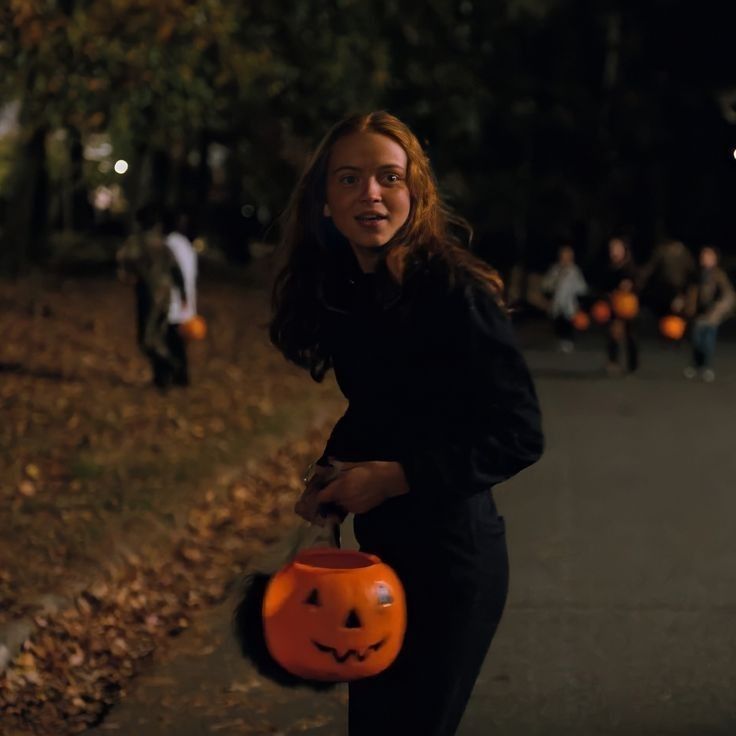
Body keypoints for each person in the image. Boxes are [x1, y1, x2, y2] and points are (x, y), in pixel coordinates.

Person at [269, 111, 544, 736]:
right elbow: (376, 408)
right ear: (324, 205)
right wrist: (331, 480)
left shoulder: (455, 292)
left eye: (388, 176)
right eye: (349, 178)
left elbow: (520, 431)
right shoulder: (354, 294)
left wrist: (393, 480)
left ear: (413, 194)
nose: (371, 192)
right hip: (380, 561)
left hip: (454, 562)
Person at [116, 204, 186, 390]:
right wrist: (183, 293)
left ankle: (172, 366)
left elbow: (124, 265)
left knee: (147, 340)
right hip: (165, 294)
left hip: (148, 294)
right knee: (159, 335)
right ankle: (162, 379)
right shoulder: (162, 242)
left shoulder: (136, 242)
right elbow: (175, 270)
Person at [683, 245, 734, 382]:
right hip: (698, 314)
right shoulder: (696, 274)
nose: (705, 259)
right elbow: (690, 291)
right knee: (697, 341)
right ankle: (695, 364)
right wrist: (687, 305)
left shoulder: (719, 275)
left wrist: (719, 309)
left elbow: (728, 294)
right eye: (703, 256)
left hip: (712, 315)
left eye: (709, 256)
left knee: (708, 342)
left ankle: (706, 366)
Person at [163, 210, 199, 387]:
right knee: (179, 344)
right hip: (184, 303)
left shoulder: (171, 244)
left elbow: (177, 274)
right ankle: (179, 377)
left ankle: (176, 377)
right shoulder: (186, 245)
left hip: (174, 303)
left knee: (172, 343)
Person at [601, 236, 639, 375]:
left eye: (617, 248)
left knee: (630, 335)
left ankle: (632, 364)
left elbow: (635, 284)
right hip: (612, 304)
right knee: (613, 334)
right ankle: (613, 361)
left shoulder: (629, 267)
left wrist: (630, 286)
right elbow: (604, 286)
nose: (614, 252)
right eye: (612, 249)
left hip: (627, 305)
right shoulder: (608, 268)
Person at [540, 243, 588, 353]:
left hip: (570, 302)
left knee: (568, 322)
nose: (566, 258)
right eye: (564, 255)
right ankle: (561, 340)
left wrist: (580, 299)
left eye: (569, 255)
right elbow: (546, 285)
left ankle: (568, 342)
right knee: (558, 321)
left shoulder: (575, 271)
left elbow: (581, 287)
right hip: (557, 302)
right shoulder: (555, 269)